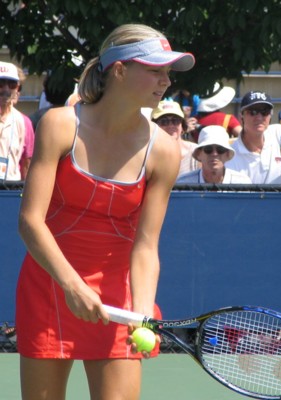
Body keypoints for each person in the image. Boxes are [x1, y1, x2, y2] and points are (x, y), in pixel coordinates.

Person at [16, 23, 194, 400]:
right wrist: (73, 286)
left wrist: (143, 311)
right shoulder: (59, 125)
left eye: (168, 72)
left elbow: (146, 246)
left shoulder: (165, 151)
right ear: (119, 70)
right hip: (50, 287)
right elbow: (30, 221)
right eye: (155, 70)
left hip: (120, 299)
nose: (165, 80)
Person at [225, 90, 281, 184]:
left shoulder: (280, 137)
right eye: (253, 112)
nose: (259, 117)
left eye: (265, 112)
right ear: (241, 116)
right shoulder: (230, 155)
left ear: (270, 116)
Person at [177, 125, 252, 184]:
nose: (214, 154)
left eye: (220, 149)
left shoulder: (242, 182)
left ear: (227, 154)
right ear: (199, 154)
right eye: (208, 149)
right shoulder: (183, 183)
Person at [0, 61, 34, 180]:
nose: (6, 89)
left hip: (10, 190)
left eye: (12, 84)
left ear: (17, 87)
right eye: (1, 83)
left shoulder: (24, 122)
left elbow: (27, 164)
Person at [151, 100, 200, 176]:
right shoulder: (148, 154)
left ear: (182, 125)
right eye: (164, 122)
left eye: (175, 121)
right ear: (154, 126)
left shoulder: (197, 152)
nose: (171, 125)